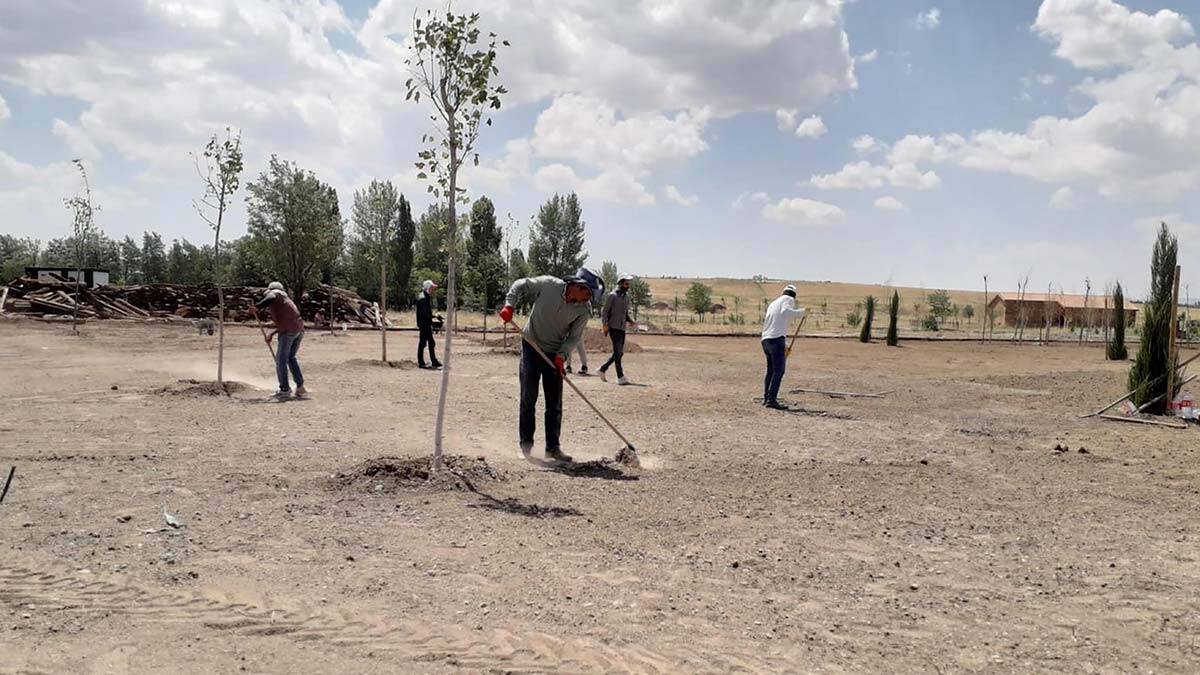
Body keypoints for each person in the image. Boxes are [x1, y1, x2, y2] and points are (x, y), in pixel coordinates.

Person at [498, 268, 603, 462]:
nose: (588, 299)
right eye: (588, 293)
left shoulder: (583, 309)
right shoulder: (549, 284)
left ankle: (553, 448)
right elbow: (520, 284)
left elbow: (574, 338)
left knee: (554, 402)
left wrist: (562, 356)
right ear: (577, 286)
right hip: (531, 345)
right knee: (528, 396)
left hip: (554, 353)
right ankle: (526, 446)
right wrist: (509, 306)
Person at [250, 281, 306, 400]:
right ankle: (300, 387)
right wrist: (272, 334)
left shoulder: (276, 294)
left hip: (289, 331)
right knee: (290, 358)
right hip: (298, 330)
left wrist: (257, 307)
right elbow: (287, 321)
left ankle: (284, 390)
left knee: (281, 360)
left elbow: (271, 297)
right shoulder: (286, 301)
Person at [761, 283, 807, 410]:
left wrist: (784, 344)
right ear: (794, 295)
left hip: (766, 340)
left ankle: (766, 398)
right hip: (776, 340)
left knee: (771, 370)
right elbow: (785, 312)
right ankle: (771, 400)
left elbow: (776, 324)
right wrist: (801, 312)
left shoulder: (774, 303)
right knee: (779, 371)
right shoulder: (788, 299)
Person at [599, 274, 637, 384]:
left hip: (622, 328)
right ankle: (620, 377)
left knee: (619, 353)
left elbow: (625, 313)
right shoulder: (612, 296)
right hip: (613, 327)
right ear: (620, 283)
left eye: (628, 284)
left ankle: (602, 369)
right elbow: (605, 311)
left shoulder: (626, 297)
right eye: (626, 284)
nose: (628, 286)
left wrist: (631, 321)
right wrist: (605, 325)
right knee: (618, 352)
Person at [416, 280, 441, 369]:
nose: (433, 290)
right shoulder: (423, 298)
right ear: (428, 288)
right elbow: (424, 313)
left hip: (426, 323)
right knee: (423, 343)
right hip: (424, 324)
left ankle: (433, 361)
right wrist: (432, 318)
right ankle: (421, 362)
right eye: (432, 288)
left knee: (431, 342)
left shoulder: (425, 296)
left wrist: (433, 316)